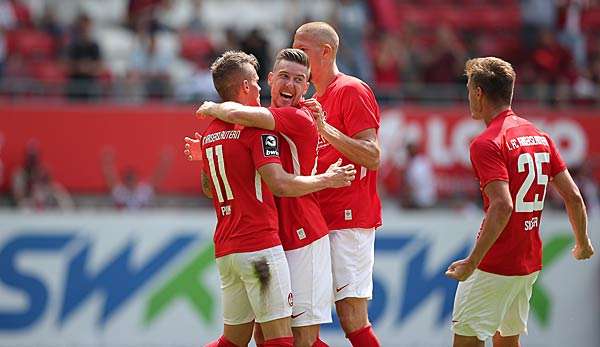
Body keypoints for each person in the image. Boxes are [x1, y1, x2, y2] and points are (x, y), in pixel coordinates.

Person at [190, 51, 355, 347]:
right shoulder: (255, 127)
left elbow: (209, 186)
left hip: (293, 239)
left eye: (298, 79)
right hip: (264, 245)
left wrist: (214, 111)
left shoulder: (292, 117)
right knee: (273, 337)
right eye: (283, 77)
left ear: (306, 86)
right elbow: (275, 182)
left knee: (290, 338)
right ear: (262, 82)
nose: (289, 84)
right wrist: (327, 180)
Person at [445, 57, 595, 347]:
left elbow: (503, 205)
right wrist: (583, 242)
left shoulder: (486, 143)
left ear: (478, 93)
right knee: (507, 341)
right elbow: (574, 197)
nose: (468, 98)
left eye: (468, 90)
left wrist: (471, 263)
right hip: (527, 263)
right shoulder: (539, 136)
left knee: (466, 342)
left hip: (494, 264)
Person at [292, 22, 382, 347]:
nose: (296, 57)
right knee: (300, 323)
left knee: (352, 318)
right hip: (319, 221)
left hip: (349, 218)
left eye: (302, 50)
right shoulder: (315, 98)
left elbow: (372, 155)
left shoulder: (350, 90)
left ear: (325, 51)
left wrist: (325, 129)